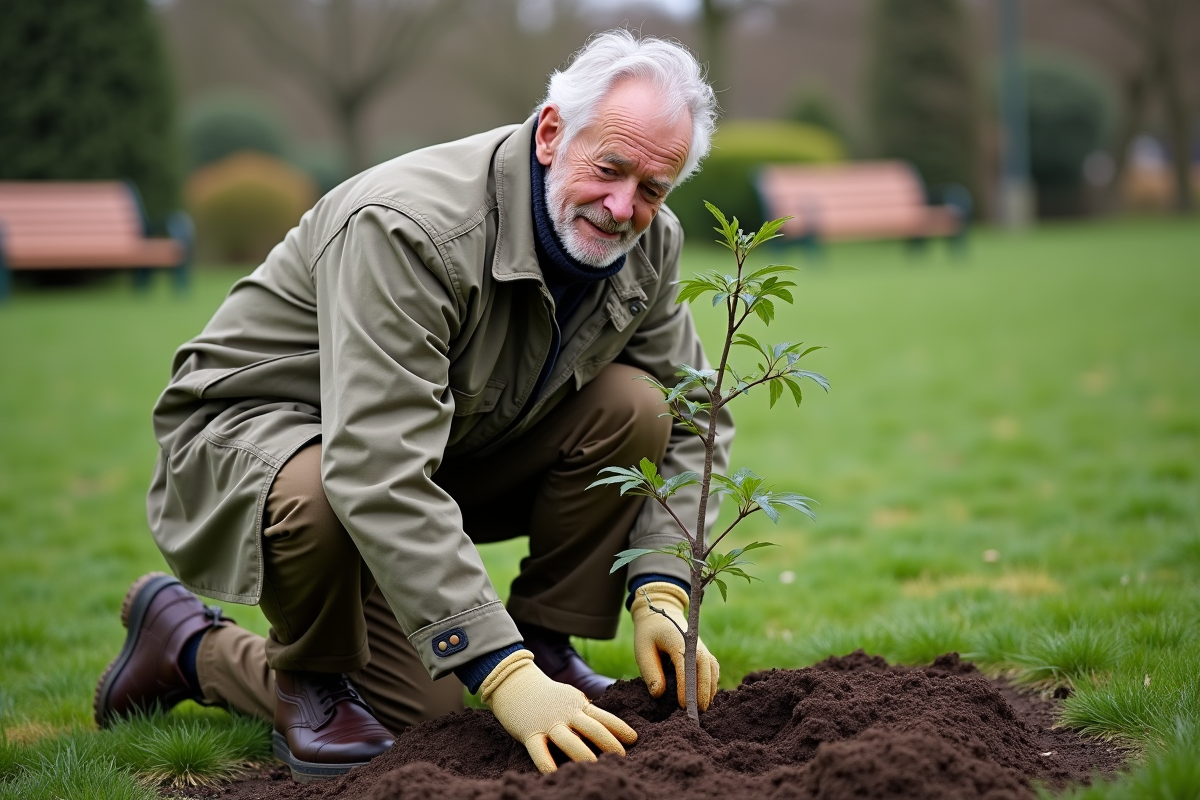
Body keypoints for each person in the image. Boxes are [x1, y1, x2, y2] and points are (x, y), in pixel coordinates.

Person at [94, 30, 733, 781]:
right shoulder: (411, 229)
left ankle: (548, 641)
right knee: (430, 718)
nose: (624, 207)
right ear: (554, 131)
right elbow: (376, 464)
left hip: (436, 442)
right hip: (260, 444)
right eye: (611, 169)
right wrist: (498, 672)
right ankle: (236, 659)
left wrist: (662, 585)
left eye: (652, 189)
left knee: (636, 405)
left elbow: (695, 413)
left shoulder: (649, 244)